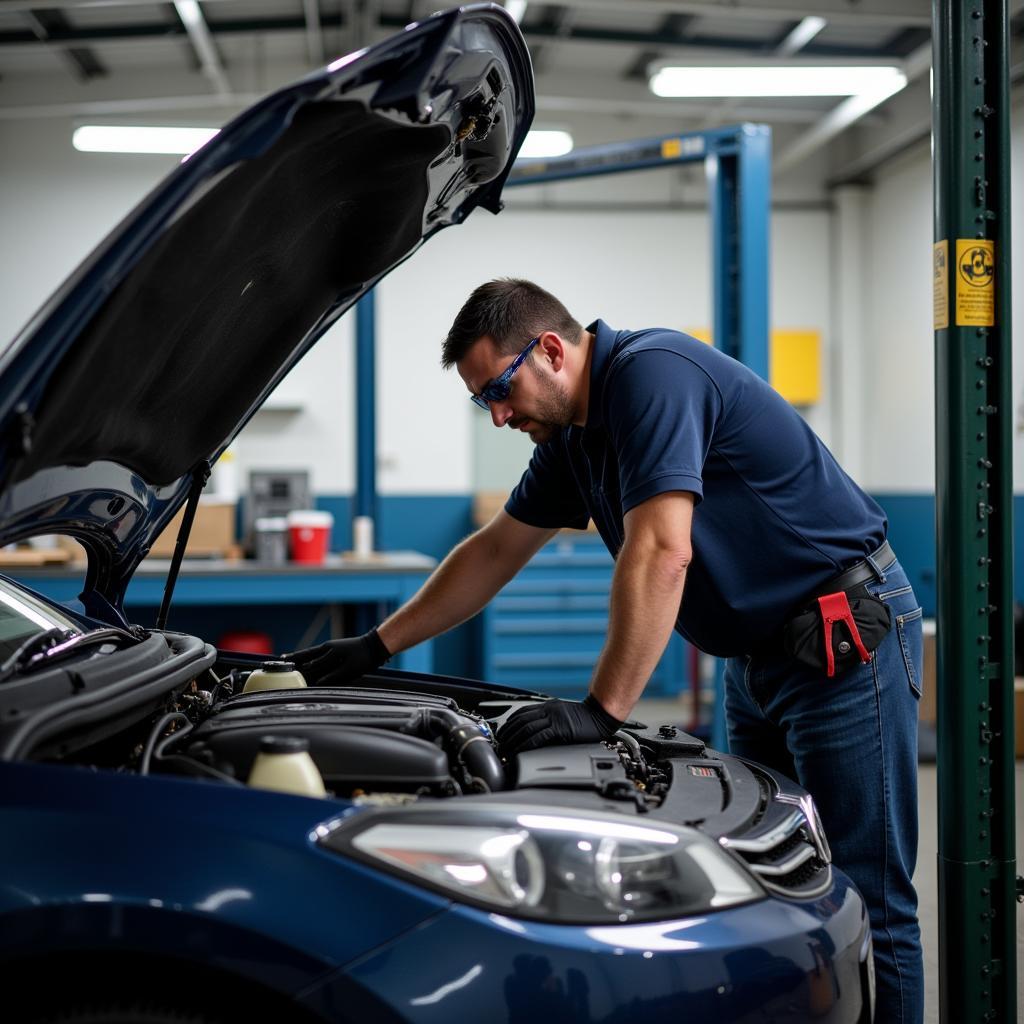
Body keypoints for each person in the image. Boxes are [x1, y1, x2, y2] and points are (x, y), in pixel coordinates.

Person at [287, 278, 923, 1023]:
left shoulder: (654, 375)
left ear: (551, 350)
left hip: (842, 639)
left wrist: (602, 710)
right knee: (767, 884)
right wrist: (377, 644)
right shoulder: (572, 439)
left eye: (499, 387)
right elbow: (496, 550)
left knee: (870, 896)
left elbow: (661, 552)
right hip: (756, 662)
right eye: (480, 401)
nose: (497, 415)